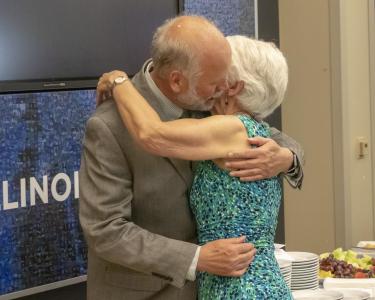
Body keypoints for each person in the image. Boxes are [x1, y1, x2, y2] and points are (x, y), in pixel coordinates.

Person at [80, 16, 303, 300]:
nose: (225, 87)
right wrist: (196, 258)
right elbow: (105, 231)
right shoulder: (109, 127)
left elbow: (278, 139)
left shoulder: (208, 104)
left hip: (222, 288)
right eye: (217, 82)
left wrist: (286, 158)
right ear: (177, 81)